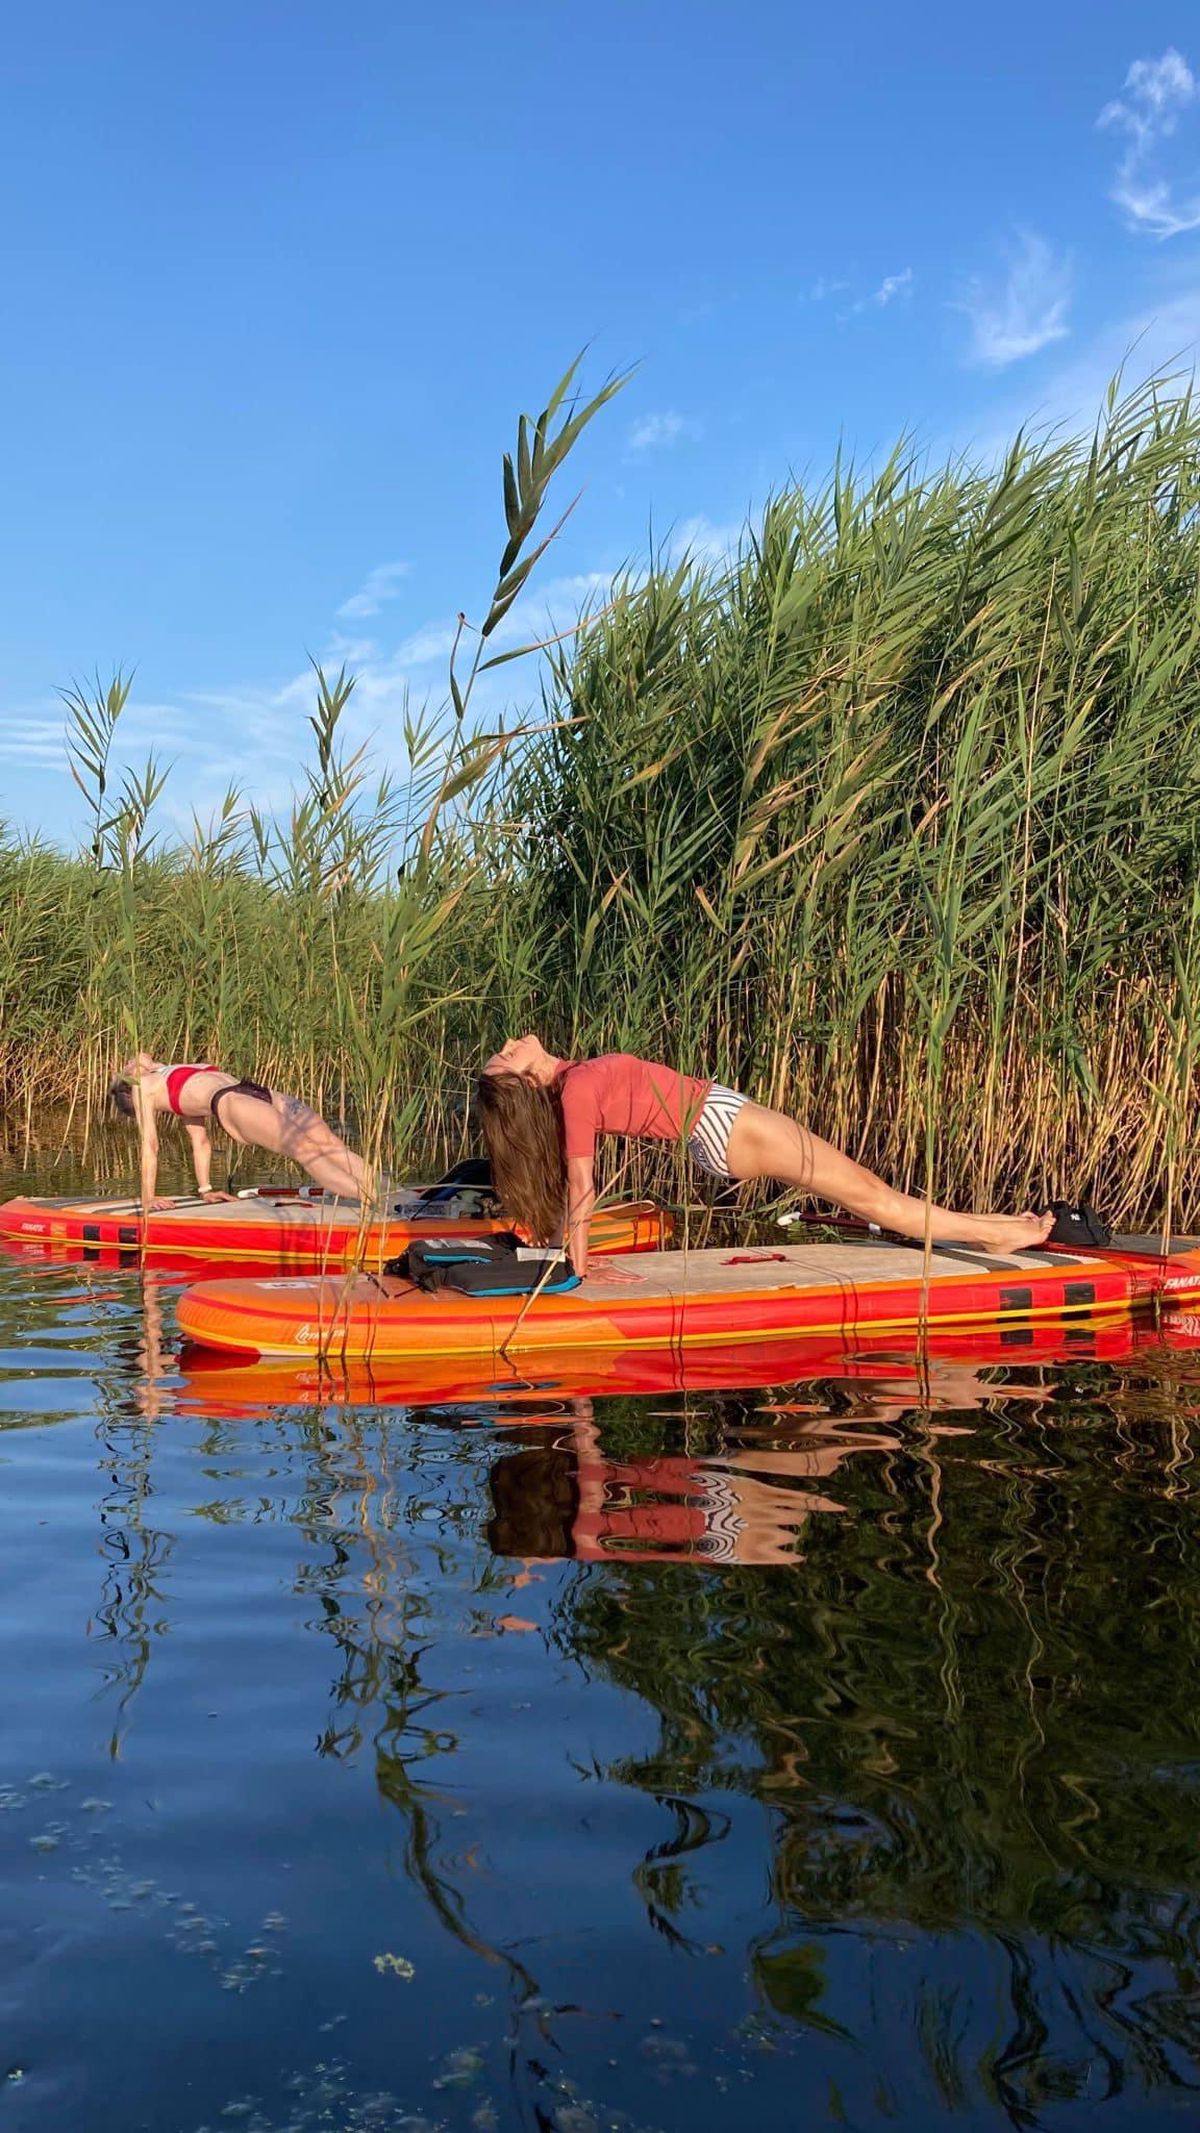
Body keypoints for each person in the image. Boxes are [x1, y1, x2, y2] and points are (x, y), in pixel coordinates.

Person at [475, 1036, 1053, 1278]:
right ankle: (993, 1237)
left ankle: (991, 1228)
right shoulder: (573, 1091)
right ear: (524, 1080)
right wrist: (574, 1267)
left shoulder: (573, 1080)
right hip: (725, 1126)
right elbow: (583, 1183)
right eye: (505, 1058)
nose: (509, 1044)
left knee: (870, 1189)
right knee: (873, 1195)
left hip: (721, 1127)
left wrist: (559, 1246)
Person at [109, 1054, 370, 1210]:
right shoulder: (174, 1088)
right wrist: (205, 1190)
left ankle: (388, 1195)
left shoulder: (143, 1084)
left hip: (248, 1092)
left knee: (327, 1146)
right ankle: (376, 1197)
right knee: (312, 1150)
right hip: (237, 1099)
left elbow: (150, 1146)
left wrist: (147, 1197)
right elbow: (200, 1143)